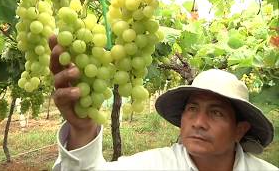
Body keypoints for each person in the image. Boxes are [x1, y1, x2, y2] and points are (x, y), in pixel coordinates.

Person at [48, 36, 278, 171]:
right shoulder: (153, 165)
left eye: (216, 113)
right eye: (192, 108)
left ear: (240, 129)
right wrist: (82, 130)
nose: (198, 122)